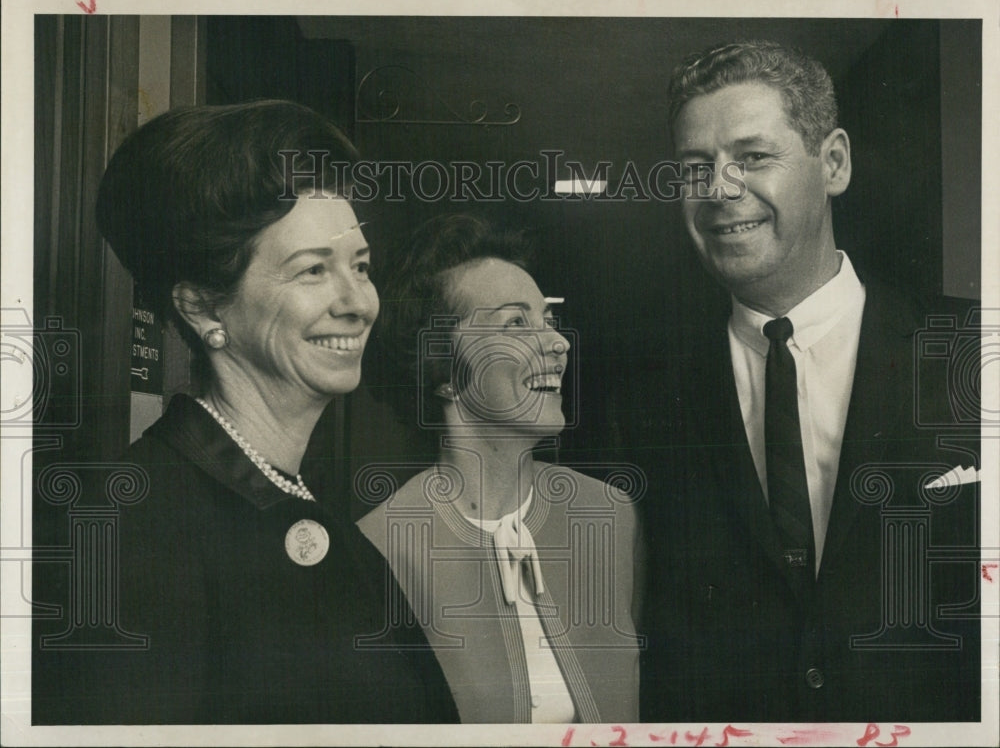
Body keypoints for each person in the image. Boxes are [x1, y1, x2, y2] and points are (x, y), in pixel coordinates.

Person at [31, 100, 458, 724]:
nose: (358, 302)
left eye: (360, 266)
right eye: (313, 270)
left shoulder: (328, 521)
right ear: (203, 308)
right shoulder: (125, 528)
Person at [639, 41, 980, 722]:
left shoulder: (974, 353)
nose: (719, 189)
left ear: (834, 163)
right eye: (695, 167)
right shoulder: (641, 402)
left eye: (752, 156)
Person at [357, 214, 642, 723]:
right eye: (516, 323)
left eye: (547, 320)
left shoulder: (611, 515)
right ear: (443, 368)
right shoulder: (380, 548)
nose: (558, 343)